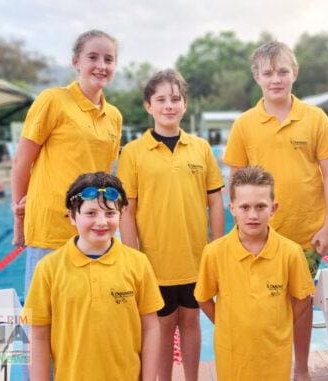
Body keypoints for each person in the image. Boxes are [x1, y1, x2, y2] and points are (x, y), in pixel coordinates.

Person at [222, 40, 328, 380]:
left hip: (305, 235)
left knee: (300, 306)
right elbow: (236, 180)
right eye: (268, 73)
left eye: (283, 71)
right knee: (259, 308)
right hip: (258, 236)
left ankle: (300, 370)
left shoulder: (315, 118)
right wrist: (239, 228)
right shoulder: (245, 124)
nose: (276, 79)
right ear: (257, 77)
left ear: (295, 73)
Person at [117, 69, 224, 381]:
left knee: (191, 323)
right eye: (161, 99)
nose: (169, 105)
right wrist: (132, 256)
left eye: (175, 99)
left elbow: (215, 201)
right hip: (154, 262)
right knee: (162, 329)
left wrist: (216, 248)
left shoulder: (200, 148)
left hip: (195, 258)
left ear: (185, 104)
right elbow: (127, 209)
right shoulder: (134, 153)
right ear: (148, 106)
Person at [11, 30, 123, 297]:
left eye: (108, 59)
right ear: (76, 62)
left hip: (95, 223)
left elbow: (106, 172)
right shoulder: (52, 101)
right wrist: (20, 216)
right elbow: (22, 161)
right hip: (52, 223)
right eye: (92, 57)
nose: (101, 66)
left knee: (93, 307)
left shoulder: (114, 117)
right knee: (44, 314)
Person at [22, 172, 164, 381]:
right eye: (90, 213)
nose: (101, 222)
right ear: (72, 216)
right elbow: (39, 336)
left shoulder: (138, 263)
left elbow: (151, 328)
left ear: (121, 214)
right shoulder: (48, 269)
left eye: (109, 213)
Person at [194, 166, 314, 380]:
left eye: (261, 206)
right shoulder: (214, 253)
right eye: (245, 207)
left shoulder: (290, 253)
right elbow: (203, 298)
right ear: (232, 208)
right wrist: (228, 325)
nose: (253, 215)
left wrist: (279, 327)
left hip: (275, 358)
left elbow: (303, 299)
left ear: (273, 208)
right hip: (232, 358)